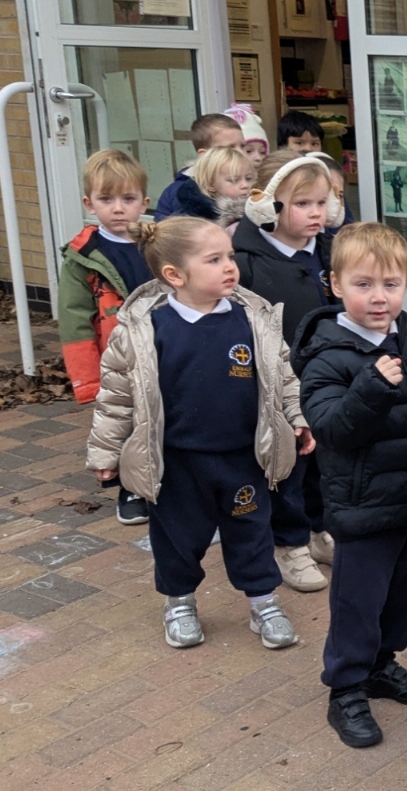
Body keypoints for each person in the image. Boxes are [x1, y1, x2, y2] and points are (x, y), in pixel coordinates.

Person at [85, 217, 313, 650]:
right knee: (178, 538)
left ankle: (264, 602)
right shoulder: (144, 330)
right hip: (176, 464)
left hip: (244, 457)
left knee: (252, 533)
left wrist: (297, 417)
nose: (229, 266)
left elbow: (283, 377)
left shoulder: (253, 320)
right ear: (175, 275)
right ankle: (179, 602)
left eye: (230, 256)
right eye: (214, 259)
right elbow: (116, 397)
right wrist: (106, 453)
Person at [293, 223, 407, 748]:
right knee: (358, 604)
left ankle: (381, 665)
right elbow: (332, 429)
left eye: (391, 284)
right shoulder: (327, 355)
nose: (379, 297)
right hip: (362, 510)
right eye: (363, 284)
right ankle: (346, 687)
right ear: (335, 284)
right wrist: (370, 386)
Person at [233, 151, 339, 593]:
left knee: (326, 464)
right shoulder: (245, 263)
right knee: (288, 467)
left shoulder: (331, 252)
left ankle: (319, 530)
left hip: (327, 381)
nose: (317, 213)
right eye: (302, 203)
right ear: (265, 204)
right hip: (277, 389)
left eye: (322, 202)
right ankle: (289, 543)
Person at [58, 149, 153, 524]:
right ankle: (131, 488)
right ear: (89, 204)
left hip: (165, 348)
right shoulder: (83, 257)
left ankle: (173, 480)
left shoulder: (159, 244)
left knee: (169, 416)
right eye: (106, 199)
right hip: (117, 357)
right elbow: (75, 321)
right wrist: (88, 379)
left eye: (128, 199)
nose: (118, 208)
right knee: (125, 422)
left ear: (144, 202)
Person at [153, 113, 244, 221]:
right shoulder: (182, 193)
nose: (241, 153)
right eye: (230, 148)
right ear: (205, 155)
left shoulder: (246, 181)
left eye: (243, 146)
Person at [193, 144, 256, 230]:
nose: (245, 185)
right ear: (211, 184)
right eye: (234, 180)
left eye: (248, 178)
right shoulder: (200, 219)